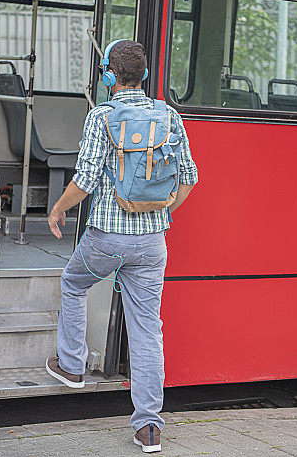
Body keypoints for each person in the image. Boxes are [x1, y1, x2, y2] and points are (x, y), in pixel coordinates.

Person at [45, 40, 198, 453]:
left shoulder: (102, 116)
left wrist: (57, 209)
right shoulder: (169, 116)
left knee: (75, 283)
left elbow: (86, 179)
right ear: (144, 76)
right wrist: (163, 213)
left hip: (107, 238)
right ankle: (149, 427)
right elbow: (188, 177)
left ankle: (73, 366)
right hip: (152, 243)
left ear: (109, 76)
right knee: (147, 328)